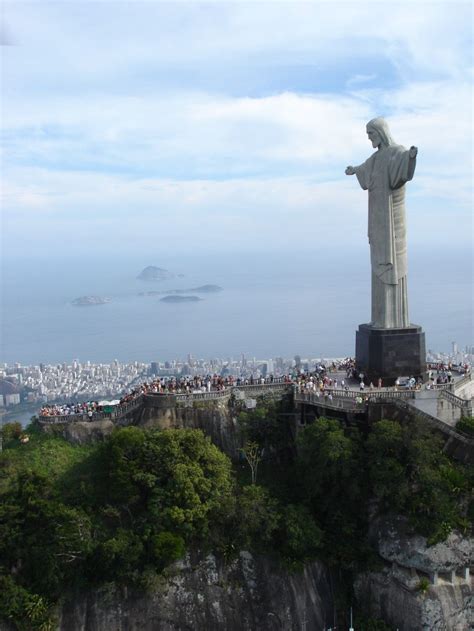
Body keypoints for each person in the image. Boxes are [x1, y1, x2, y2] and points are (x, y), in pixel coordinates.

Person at [346, 118, 417, 328]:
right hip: (378, 221)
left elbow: (402, 172)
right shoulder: (375, 159)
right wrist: (354, 170)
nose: (369, 138)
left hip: (392, 222)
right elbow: (364, 170)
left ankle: (394, 321)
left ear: (381, 132)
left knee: (392, 263)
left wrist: (411, 158)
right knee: (378, 264)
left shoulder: (397, 152)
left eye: (371, 134)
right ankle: (380, 318)